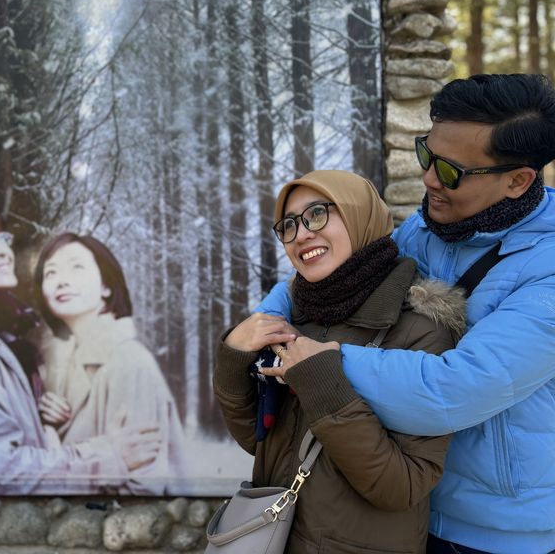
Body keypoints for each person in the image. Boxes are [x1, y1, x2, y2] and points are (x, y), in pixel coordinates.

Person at [257, 74, 555, 554]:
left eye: (452, 171)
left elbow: (453, 390)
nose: (430, 179)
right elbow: (348, 275)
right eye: (426, 155)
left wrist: (324, 360)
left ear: (518, 180)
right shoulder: (429, 225)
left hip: (498, 532)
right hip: (408, 511)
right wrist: (266, 318)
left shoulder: (547, 271)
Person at [214, 170, 466, 554]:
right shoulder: (297, 318)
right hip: (278, 537)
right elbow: (259, 441)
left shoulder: (419, 331)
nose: (301, 235)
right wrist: (233, 356)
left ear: (358, 214)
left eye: (316, 215)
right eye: (288, 225)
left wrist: (322, 384)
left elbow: (403, 486)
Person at [0, 197, 150, 494]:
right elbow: (0, 472)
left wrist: (42, 419)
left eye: (0, 237)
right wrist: (107, 457)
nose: (2, 251)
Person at [34, 232, 187, 495]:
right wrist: (46, 424)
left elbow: (144, 484)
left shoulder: (128, 361)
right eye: (51, 273)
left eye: (77, 267)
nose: (61, 281)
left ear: (107, 286)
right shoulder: (60, 363)